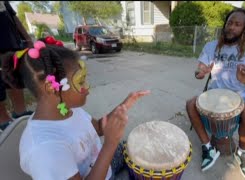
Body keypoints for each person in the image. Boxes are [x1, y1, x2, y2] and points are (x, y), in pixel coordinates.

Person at [0, 37, 151, 180]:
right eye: (81, 81)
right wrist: (110, 143)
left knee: (140, 147)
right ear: (51, 87)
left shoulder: (67, 109)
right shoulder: (45, 148)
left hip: (103, 162)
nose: (87, 88)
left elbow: (98, 128)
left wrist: (125, 105)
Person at [186, 8, 245, 179]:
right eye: (230, 23)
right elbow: (198, 71)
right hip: (216, 91)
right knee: (190, 104)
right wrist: (200, 72)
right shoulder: (211, 46)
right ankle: (208, 148)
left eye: (237, 24)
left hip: (242, 92)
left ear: (244, 29)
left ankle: (242, 153)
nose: (232, 27)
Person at [0, 1, 34, 131]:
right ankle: (3, 120)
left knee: (15, 76)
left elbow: (14, 17)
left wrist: (28, 38)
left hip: (11, 41)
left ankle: (20, 111)